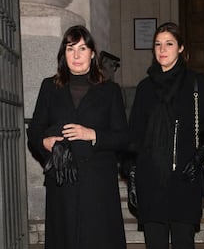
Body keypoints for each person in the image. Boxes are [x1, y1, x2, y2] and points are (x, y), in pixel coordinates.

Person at [26, 25, 128, 249]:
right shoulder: (49, 87)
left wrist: (92, 134)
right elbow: (34, 131)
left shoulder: (110, 90)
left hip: (98, 184)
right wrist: (44, 142)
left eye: (83, 48)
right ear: (64, 54)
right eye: (71, 49)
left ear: (92, 54)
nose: (77, 55)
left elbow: (123, 137)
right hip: (63, 183)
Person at [128, 22, 204, 249]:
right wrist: (132, 174)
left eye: (169, 44)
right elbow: (134, 135)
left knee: (183, 243)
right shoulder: (145, 88)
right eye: (158, 44)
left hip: (185, 179)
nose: (162, 49)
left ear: (180, 48)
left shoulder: (197, 83)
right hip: (151, 180)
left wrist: (200, 156)